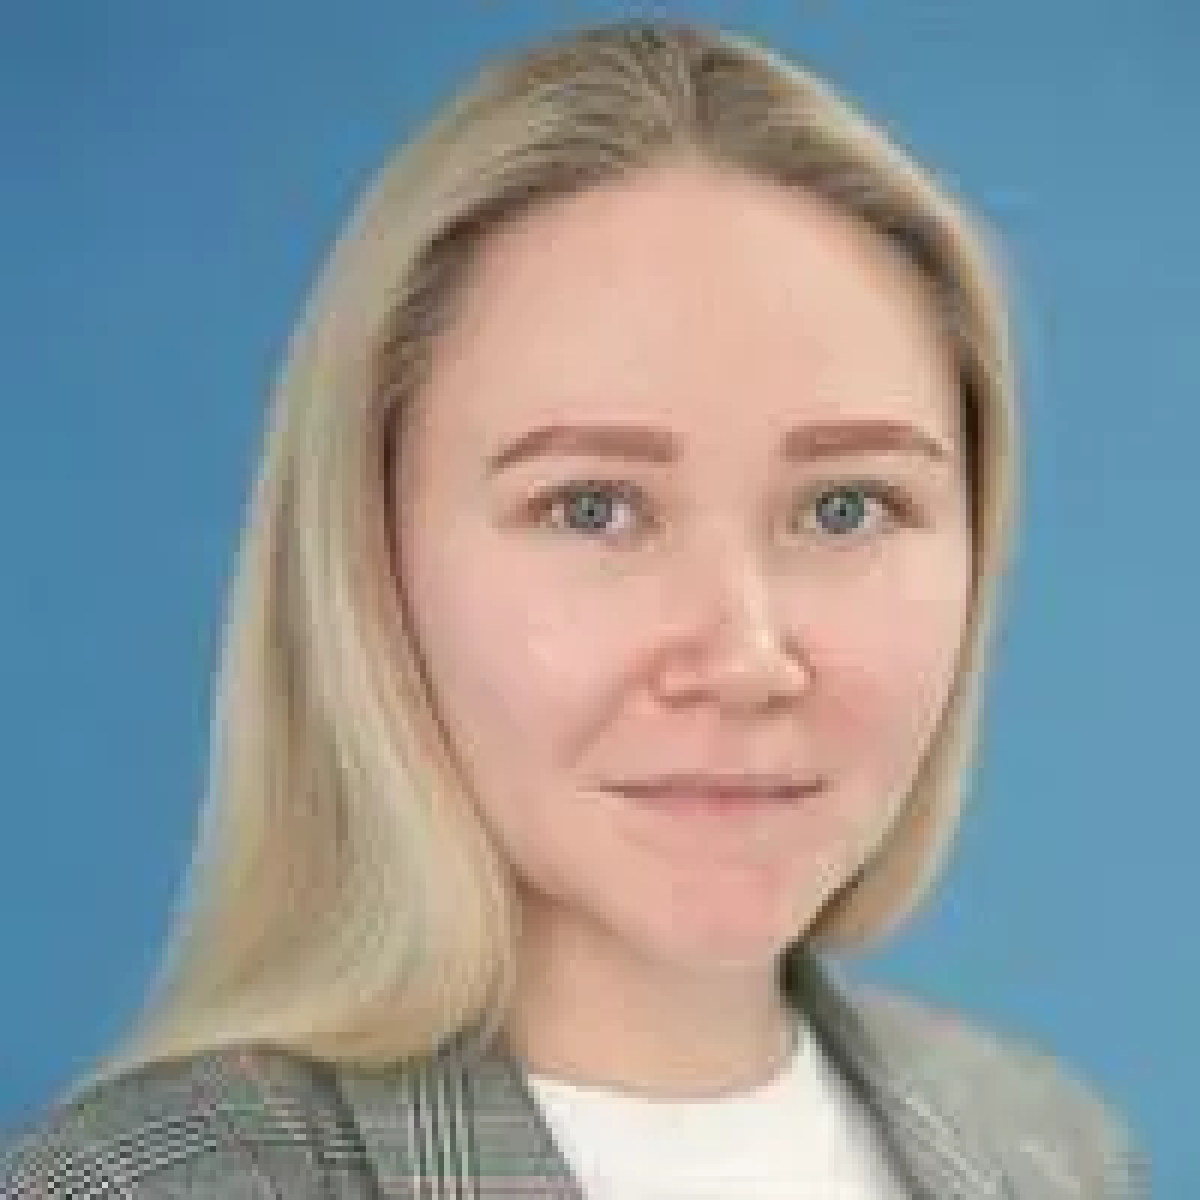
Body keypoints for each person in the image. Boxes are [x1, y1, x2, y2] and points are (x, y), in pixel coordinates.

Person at [2, 18, 1144, 1199]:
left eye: (845, 507)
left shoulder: (1053, 1147)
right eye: (594, 509)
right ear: (372, 562)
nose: (746, 658)